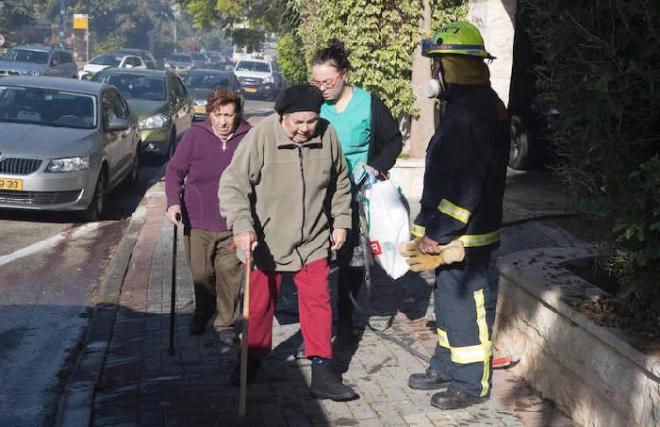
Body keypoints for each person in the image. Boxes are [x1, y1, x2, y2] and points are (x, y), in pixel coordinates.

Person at [218, 84, 357, 401]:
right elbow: (233, 186)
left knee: (318, 303)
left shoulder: (327, 135)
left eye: (312, 121)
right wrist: (242, 226)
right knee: (260, 306)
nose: (305, 129)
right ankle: (252, 359)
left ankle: (322, 371)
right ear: (282, 117)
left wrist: (341, 221)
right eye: (298, 122)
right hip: (266, 241)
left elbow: (340, 181)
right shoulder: (261, 137)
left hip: (312, 238)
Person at [406, 21, 511, 410]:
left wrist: (440, 231)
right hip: (455, 232)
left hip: (464, 233)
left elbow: (466, 182)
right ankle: (446, 366)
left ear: (451, 66)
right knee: (449, 302)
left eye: (438, 64)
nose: (435, 72)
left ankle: (471, 383)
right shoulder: (467, 105)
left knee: (466, 302)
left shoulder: (473, 111)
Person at [310, 40, 403, 341]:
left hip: (355, 195)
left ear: (343, 74)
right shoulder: (313, 105)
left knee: (350, 259)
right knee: (317, 258)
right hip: (319, 195)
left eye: (328, 82)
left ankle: (345, 315)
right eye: (316, 82)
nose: (322, 88)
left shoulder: (368, 104)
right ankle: (317, 315)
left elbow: (393, 141)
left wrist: (375, 167)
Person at [165, 88, 251, 342]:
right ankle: (203, 310)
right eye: (218, 115)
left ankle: (225, 323)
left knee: (229, 274)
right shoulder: (194, 136)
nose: (223, 121)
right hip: (197, 221)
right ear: (209, 114)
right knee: (201, 274)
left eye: (229, 115)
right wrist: (173, 203)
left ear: (237, 115)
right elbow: (174, 172)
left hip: (233, 222)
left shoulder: (249, 137)